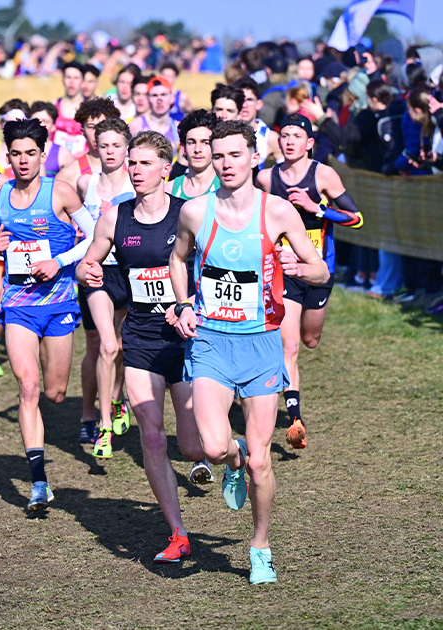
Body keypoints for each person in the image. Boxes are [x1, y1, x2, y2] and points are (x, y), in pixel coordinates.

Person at [169, 120, 329, 585]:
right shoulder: (195, 212)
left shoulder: (278, 212)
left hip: (261, 344)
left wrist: (304, 267)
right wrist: (181, 304)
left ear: (254, 157)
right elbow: (177, 260)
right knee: (215, 447)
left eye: (234, 155)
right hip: (211, 343)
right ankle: (232, 458)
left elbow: (318, 270)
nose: (225, 163)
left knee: (263, 461)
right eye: (218, 156)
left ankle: (260, 546)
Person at [76, 130, 208, 563]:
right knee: (152, 436)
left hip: (184, 342)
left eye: (144, 163)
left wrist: (188, 305)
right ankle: (177, 532)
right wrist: (86, 272)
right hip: (141, 340)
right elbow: (89, 259)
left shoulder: (189, 215)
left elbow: (214, 268)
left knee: (193, 447)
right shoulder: (116, 217)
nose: (134, 170)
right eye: (131, 163)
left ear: (166, 169)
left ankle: (238, 457)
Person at [0, 118, 93, 513]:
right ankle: (39, 481)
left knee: (55, 393)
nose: (23, 161)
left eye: (30, 153)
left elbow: (94, 237)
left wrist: (58, 259)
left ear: (43, 155)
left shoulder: (60, 193)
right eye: (16, 154)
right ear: (6, 156)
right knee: (28, 387)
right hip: (18, 304)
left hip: (59, 303)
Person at [256, 114, 362, 449]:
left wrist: (317, 209)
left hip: (319, 271)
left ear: (309, 143)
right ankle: (295, 418)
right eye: (284, 135)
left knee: (310, 340)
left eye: (296, 136)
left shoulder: (324, 175)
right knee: (289, 347)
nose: (289, 141)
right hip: (284, 270)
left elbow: (356, 219)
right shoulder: (267, 177)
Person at [73, 117, 135, 455]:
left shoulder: (138, 183)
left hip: (128, 273)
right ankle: (101, 425)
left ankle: (118, 399)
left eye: (116, 145)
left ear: (127, 148)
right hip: (96, 273)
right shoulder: (85, 183)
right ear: (95, 146)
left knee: (123, 347)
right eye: (104, 144)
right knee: (105, 347)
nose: (109, 151)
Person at [166, 110, 221, 200]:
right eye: (191, 143)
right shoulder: (169, 190)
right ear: (183, 148)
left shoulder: (225, 189)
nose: (197, 149)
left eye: (205, 143)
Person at [130, 77, 179, 147]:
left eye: (163, 94)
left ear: (172, 98)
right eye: (154, 95)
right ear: (148, 99)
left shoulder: (178, 128)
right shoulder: (136, 125)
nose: (159, 99)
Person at [54, 62, 89, 156]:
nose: (71, 82)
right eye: (68, 77)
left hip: (81, 161)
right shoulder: (53, 106)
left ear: (82, 82)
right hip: (57, 161)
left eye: (76, 78)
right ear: (63, 80)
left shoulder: (90, 109)